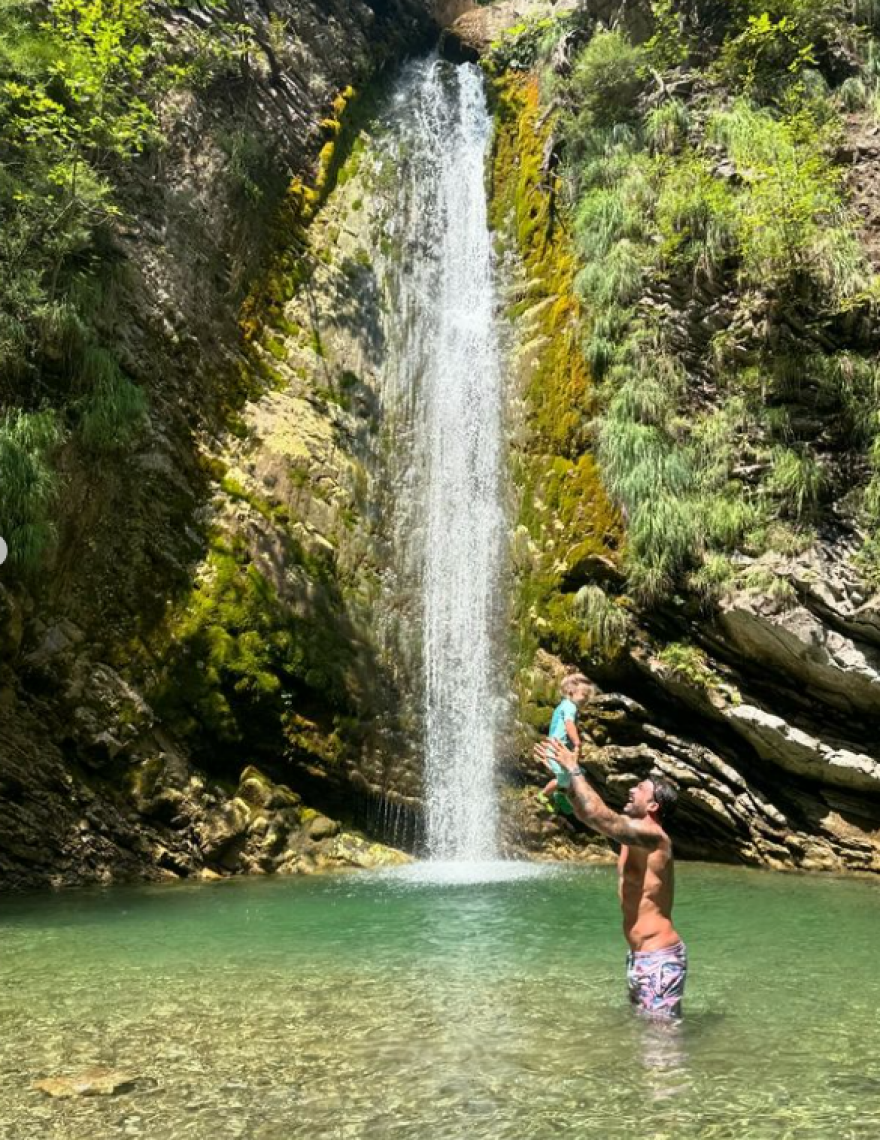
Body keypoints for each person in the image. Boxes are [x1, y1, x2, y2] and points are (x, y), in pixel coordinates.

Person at [537, 737, 687, 1020]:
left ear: (653, 806)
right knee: (646, 1037)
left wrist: (575, 770)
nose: (631, 790)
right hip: (638, 956)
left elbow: (598, 813)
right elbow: (589, 817)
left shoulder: (655, 839)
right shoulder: (630, 833)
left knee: (662, 1047)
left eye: (640, 789)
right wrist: (567, 782)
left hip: (659, 958)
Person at [539, 673, 593, 813]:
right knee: (565, 778)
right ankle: (544, 794)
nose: (586, 699)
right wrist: (577, 742)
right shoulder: (570, 707)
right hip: (557, 749)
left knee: (571, 775)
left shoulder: (562, 706)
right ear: (571, 692)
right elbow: (569, 725)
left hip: (556, 748)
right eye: (584, 695)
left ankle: (560, 795)